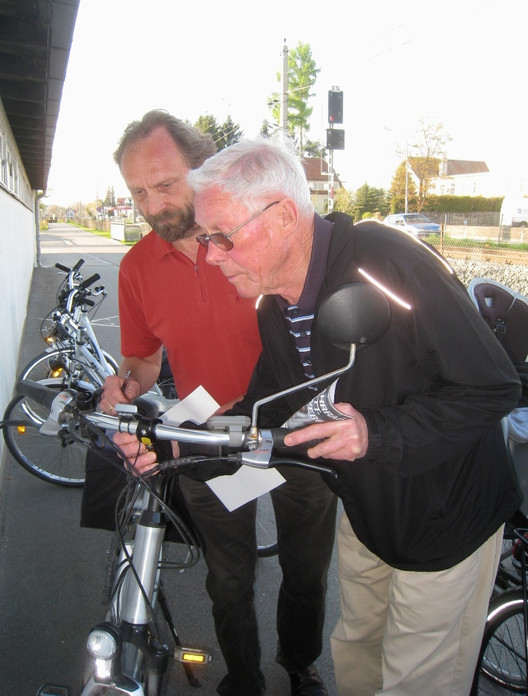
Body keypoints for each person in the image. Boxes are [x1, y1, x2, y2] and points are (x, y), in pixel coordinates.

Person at [118, 135, 522, 696]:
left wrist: (373, 433)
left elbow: (492, 386)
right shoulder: (275, 309)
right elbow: (268, 417)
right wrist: (171, 446)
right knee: (356, 655)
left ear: (282, 216)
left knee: (415, 681)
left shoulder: (385, 262)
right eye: (206, 238)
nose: (211, 255)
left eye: (222, 237)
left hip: (445, 519)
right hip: (366, 513)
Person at [99, 112, 336, 696]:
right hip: (208, 438)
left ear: (203, 170)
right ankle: (246, 679)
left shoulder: (255, 236)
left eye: (165, 184)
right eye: (137, 192)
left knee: (305, 571)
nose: (152, 206)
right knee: (229, 579)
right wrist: (123, 385)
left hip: (293, 433)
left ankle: (300, 667)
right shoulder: (136, 268)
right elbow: (144, 360)